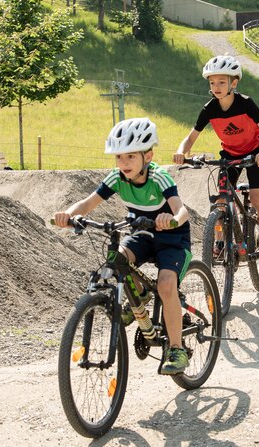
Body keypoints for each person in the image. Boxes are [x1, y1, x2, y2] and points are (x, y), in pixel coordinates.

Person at [53, 117, 192, 375]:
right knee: (116, 260)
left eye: (130, 156)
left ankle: (176, 348)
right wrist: (69, 215)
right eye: (119, 157)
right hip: (142, 234)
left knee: (165, 284)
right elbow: (87, 203)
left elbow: (181, 210)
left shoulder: (158, 177)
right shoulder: (117, 178)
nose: (123, 163)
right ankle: (138, 298)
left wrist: (171, 220)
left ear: (148, 156)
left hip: (172, 237)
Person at [172, 54, 259, 260]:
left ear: (234, 82)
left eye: (222, 82)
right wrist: (181, 151)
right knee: (221, 200)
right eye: (212, 82)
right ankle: (222, 242)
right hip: (229, 155)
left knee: (257, 199)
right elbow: (191, 136)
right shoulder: (209, 109)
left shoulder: (246, 104)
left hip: (253, 154)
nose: (216, 86)